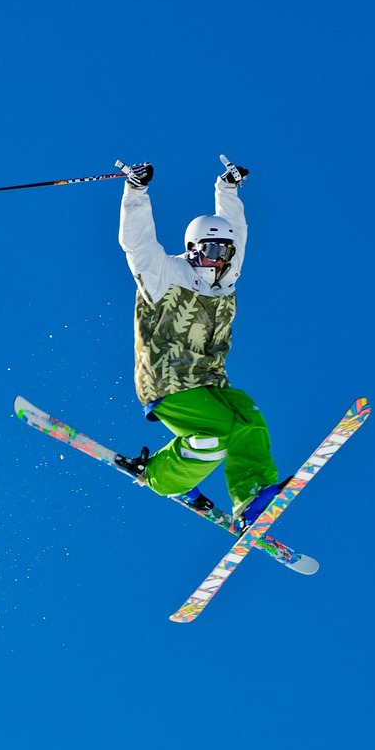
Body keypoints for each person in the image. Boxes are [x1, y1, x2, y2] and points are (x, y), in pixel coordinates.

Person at [115, 157, 281, 529]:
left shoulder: (226, 279)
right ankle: (161, 477)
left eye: (226, 253)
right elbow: (137, 244)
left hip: (209, 380)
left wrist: (227, 188)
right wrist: (135, 191)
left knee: (248, 418)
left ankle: (252, 494)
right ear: (193, 248)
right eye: (213, 252)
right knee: (215, 433)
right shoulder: (164, 273)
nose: (220, 261)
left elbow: (237, 231)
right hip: (167, 379)